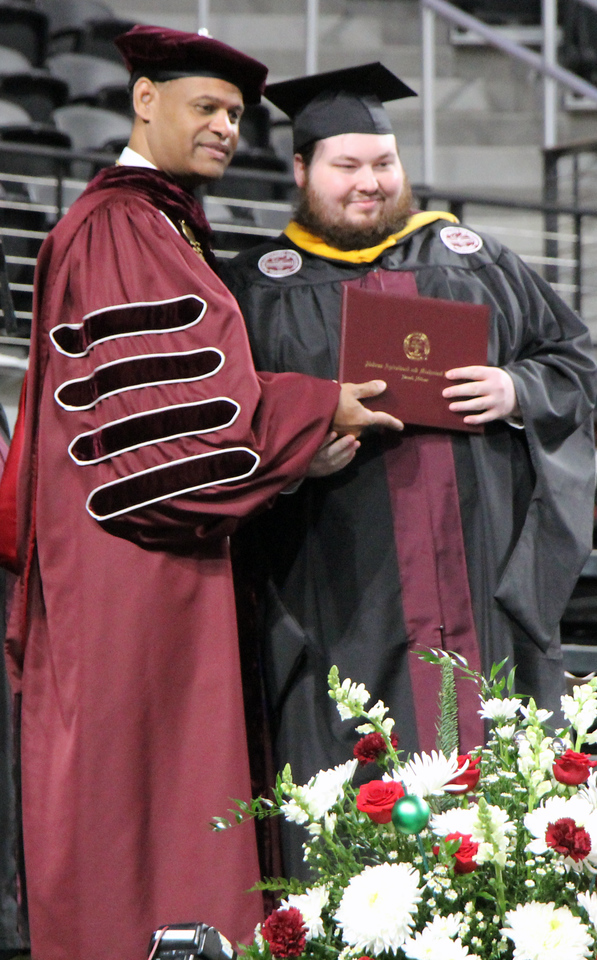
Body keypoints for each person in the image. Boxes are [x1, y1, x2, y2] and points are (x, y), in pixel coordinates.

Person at [2, 32, 404, 960]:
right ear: (143, 100)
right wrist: (313, 412)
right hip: (132, 575)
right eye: (205, 107)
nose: (226, 127)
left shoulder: (164, 223)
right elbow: (167, 436)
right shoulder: (118, 227)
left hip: (159, 569)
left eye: (235, 115)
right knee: (140, 810)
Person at [223, 62, 597, 871]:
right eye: (346, 166)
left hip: (480, 575)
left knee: (498, 781)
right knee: (351, 775)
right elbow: (227, 424)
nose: (370, 184)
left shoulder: (473, 259)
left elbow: (576, 360)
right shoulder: (255, 289)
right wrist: (292, 456)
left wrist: (514, 386)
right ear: (300, 172)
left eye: (383, 164)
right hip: (334, 589)